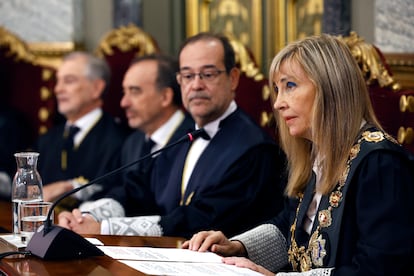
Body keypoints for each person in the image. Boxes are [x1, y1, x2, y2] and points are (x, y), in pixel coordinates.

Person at [183, 34, 414, 275]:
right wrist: (238, 246)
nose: (278, 103)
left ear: (330, 87)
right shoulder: (317, 153)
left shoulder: (380, 163)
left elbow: (379, 269)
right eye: (276, 89)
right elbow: (291, 228)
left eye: (289, 86)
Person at [58, 32, 287, 238]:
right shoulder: (185, 136)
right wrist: (87, 216)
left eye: (208, 74)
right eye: (188, 76)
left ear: (233, 78)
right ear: (179, 81)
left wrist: (105, 229)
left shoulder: (255, 149)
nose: (196, 85)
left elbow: (203, 220)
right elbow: (135, 190)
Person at [59, 53, 194, 221]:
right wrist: (86, 215)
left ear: (165, 97)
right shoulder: (133, 142)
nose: (124, 103)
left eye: (135, 91)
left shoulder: (192, 139)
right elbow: (115, 189)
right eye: (124, 92)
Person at [34, 51, 128, 209]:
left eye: (69, 81)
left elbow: (117, 191)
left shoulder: (120, 140)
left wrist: (69, 187)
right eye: (57, 81)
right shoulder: (47, 139)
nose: (58, 89)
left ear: (96, 88)